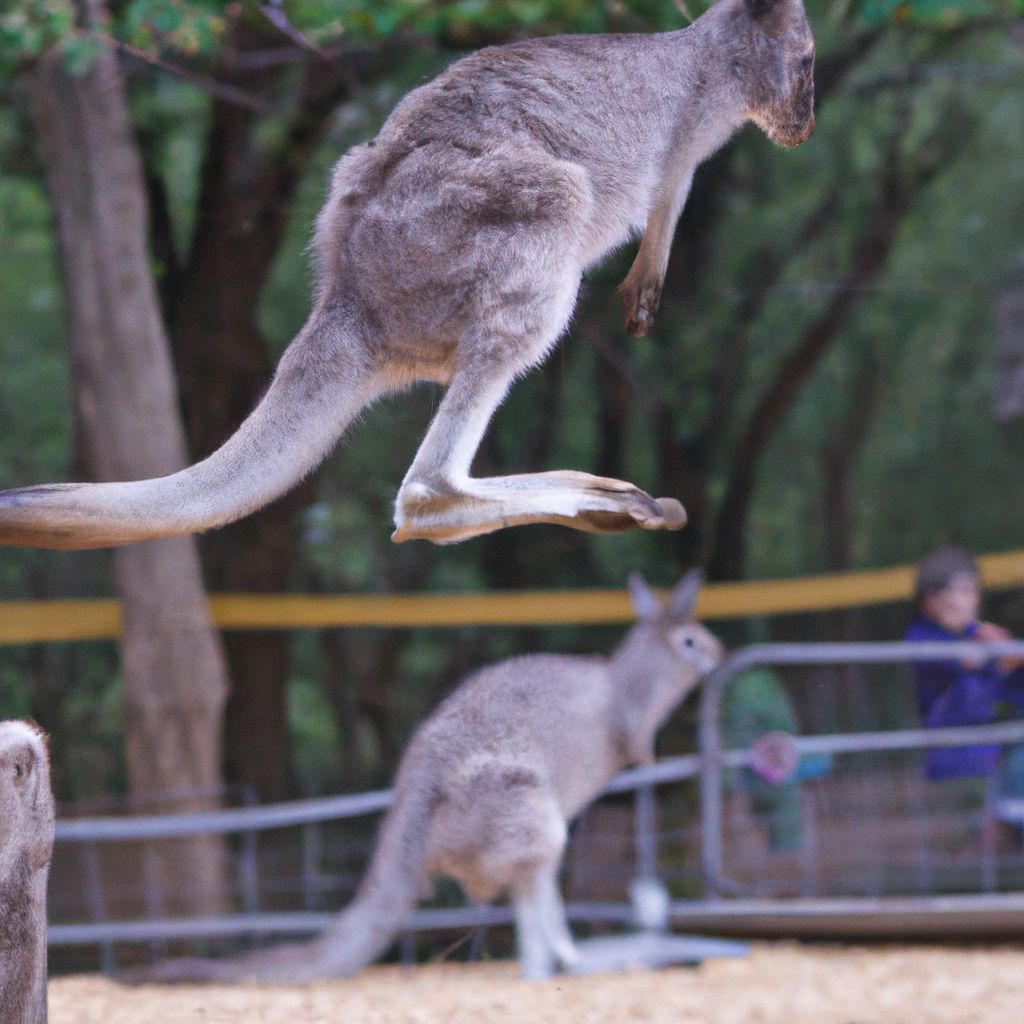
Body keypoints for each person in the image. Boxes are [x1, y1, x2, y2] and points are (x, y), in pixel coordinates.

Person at [905, 546, 1024, 841]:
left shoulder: (980, 635)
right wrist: (989, 652)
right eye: (962, 590)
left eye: (973, 590)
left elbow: (1007, 691)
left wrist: (1012, 660)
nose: (973, 599)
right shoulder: (923, 638)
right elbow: (955, 667)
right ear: (932, 600)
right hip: (958, 748)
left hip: (992, 743)